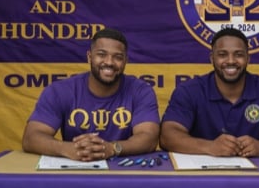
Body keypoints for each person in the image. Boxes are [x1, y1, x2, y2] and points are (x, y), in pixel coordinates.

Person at [22, 27, 160, 161]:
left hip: (125, 173)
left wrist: (112, 148)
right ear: (89, 57)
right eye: (101, 54)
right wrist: (68, 149)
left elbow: (149, 138)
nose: (109, 62)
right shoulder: (60, 91)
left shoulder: (141, 91)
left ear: (125, 61)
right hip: (76, 170)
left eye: (117, 57)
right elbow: (31, 137)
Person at [159, 27, 259, 157]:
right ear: (212, 58)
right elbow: (168, 135)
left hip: (257, 176)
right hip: (201, 176)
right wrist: (210, 147)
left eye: (238, 54)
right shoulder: (189, 91)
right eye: (222, 54)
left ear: (248, 59)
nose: (231, 61)